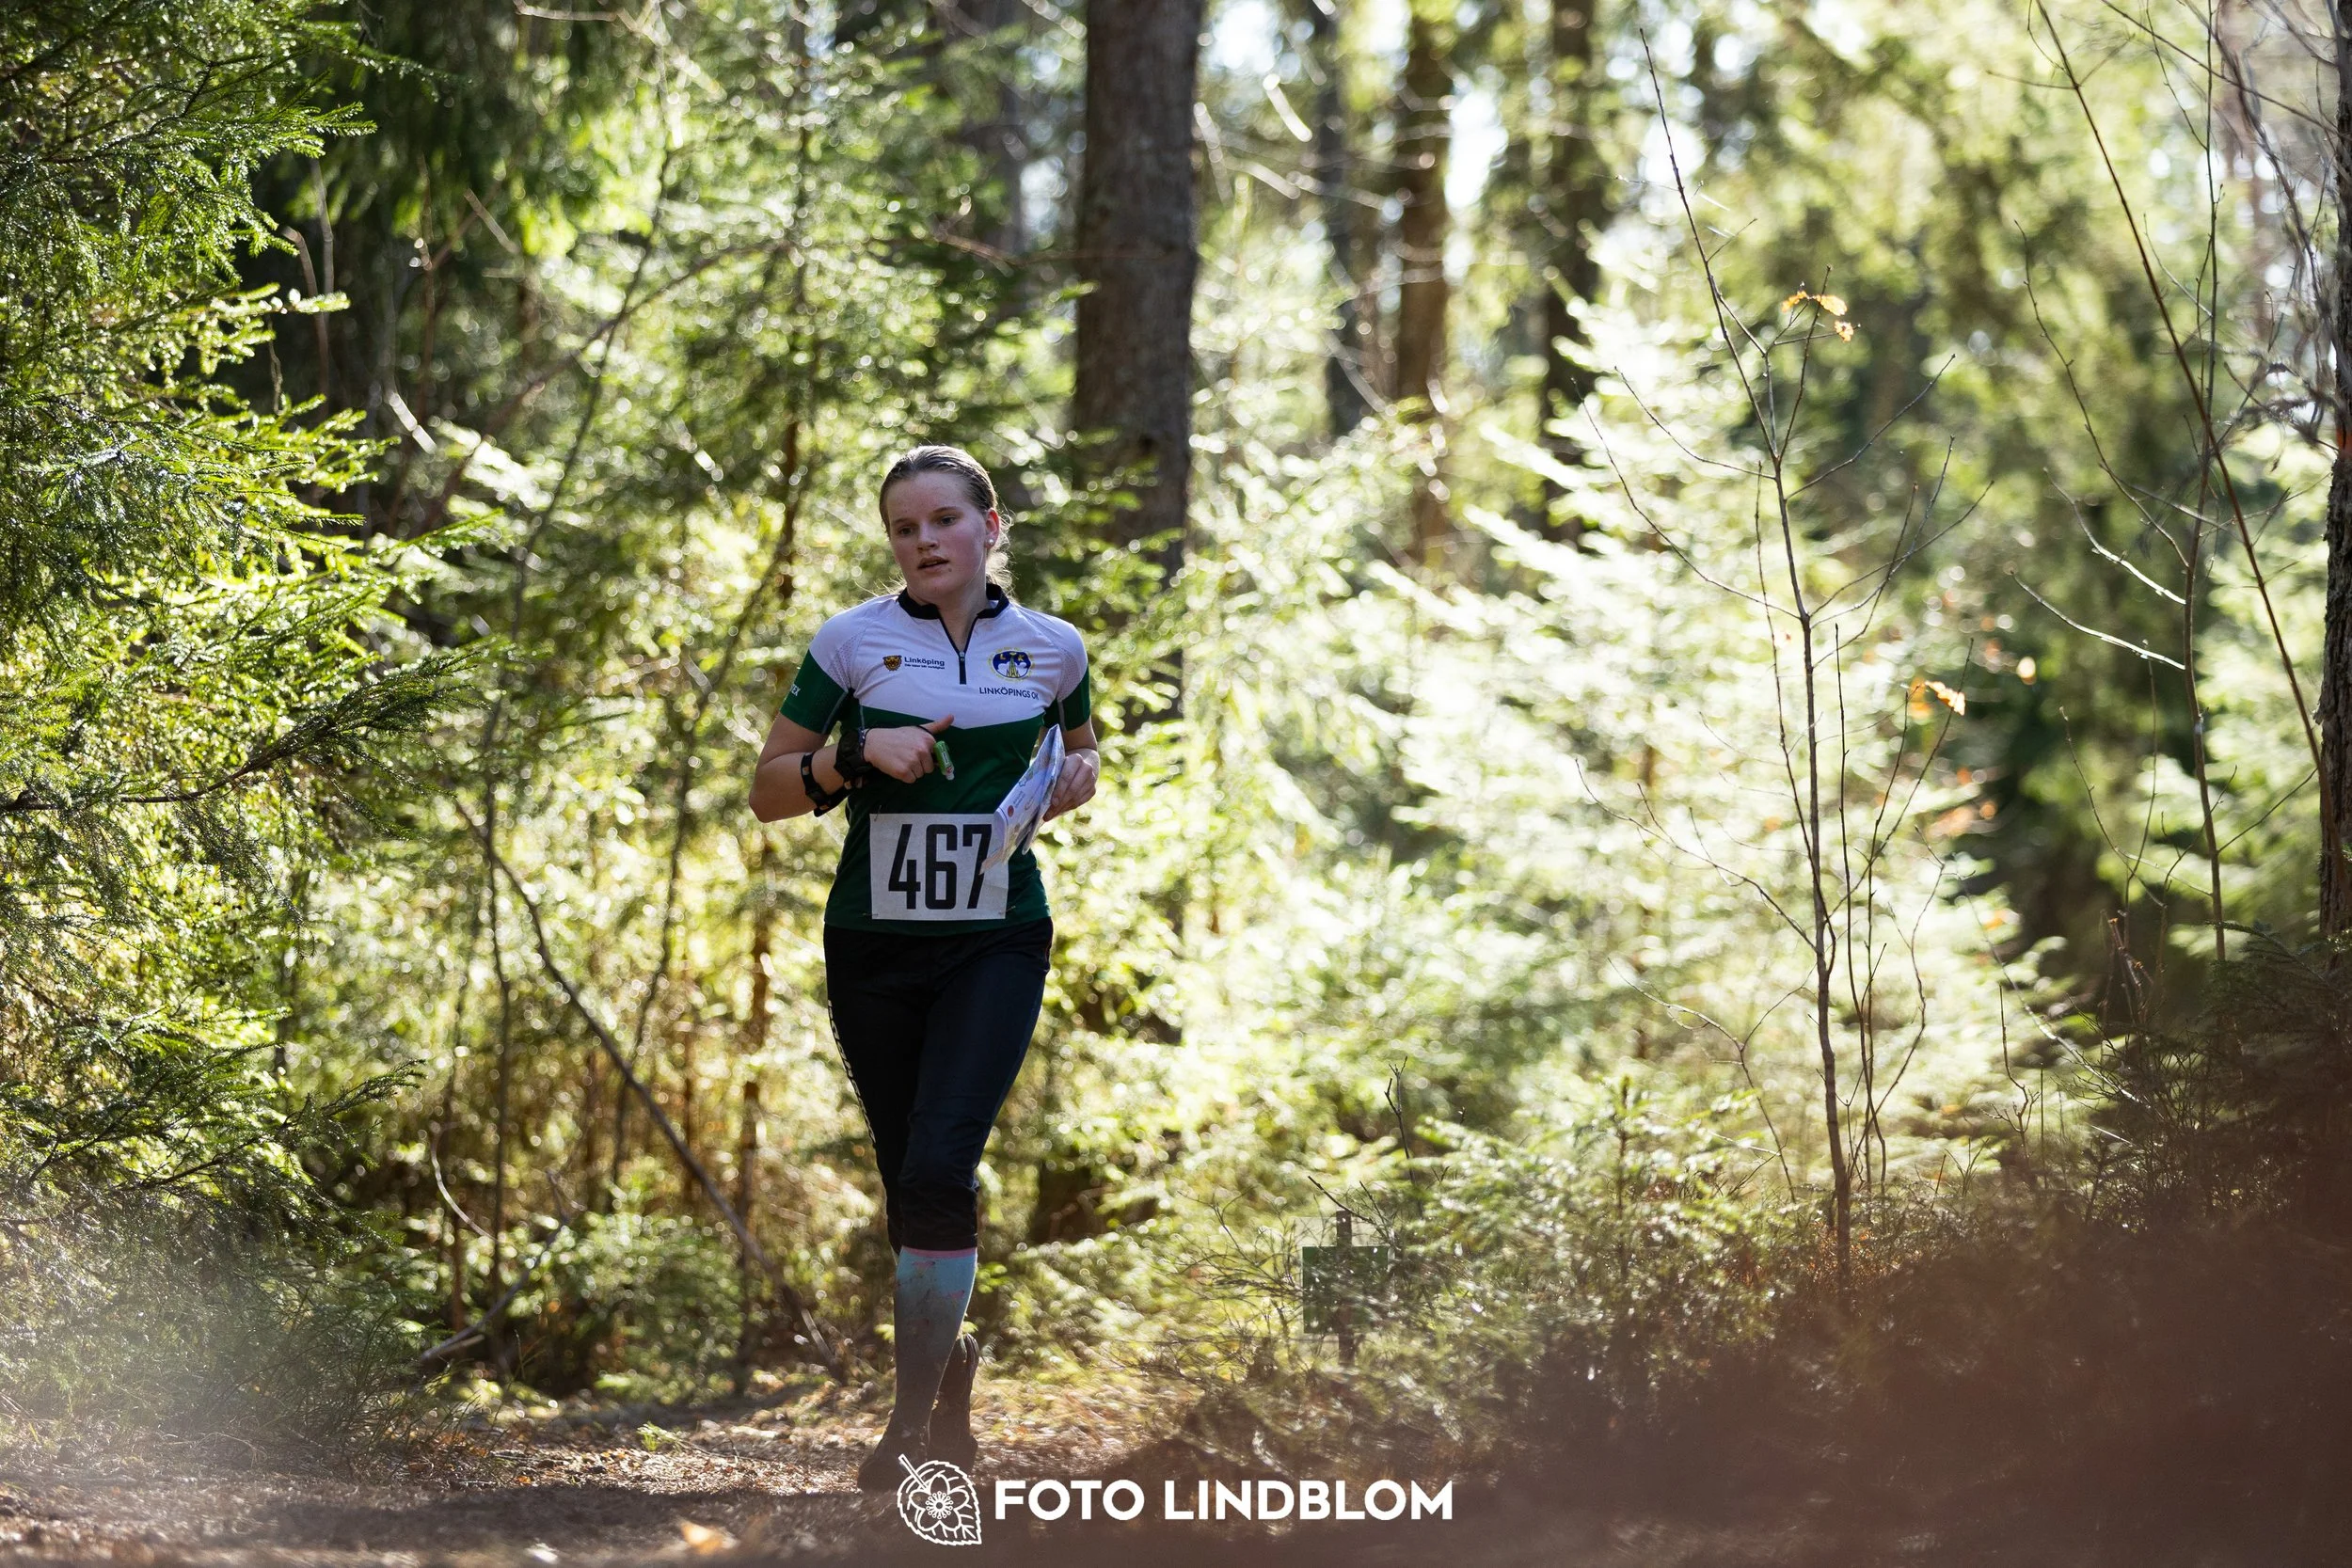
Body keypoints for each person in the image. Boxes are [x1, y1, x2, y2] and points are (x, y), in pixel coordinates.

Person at [750, 444, 1100, 1489]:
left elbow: (1078, 756)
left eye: (944, 519)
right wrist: (856, 756)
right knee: (910, 1169)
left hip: (997, 937)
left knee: (944, 1160)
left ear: (992, 526)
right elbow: (769, 787)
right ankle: (948, 1371)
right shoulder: (853, 641)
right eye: (905, 528)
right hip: (873, 942)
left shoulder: (1054, 647)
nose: (924, 540)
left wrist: (1071, 782)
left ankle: (905, 1430)